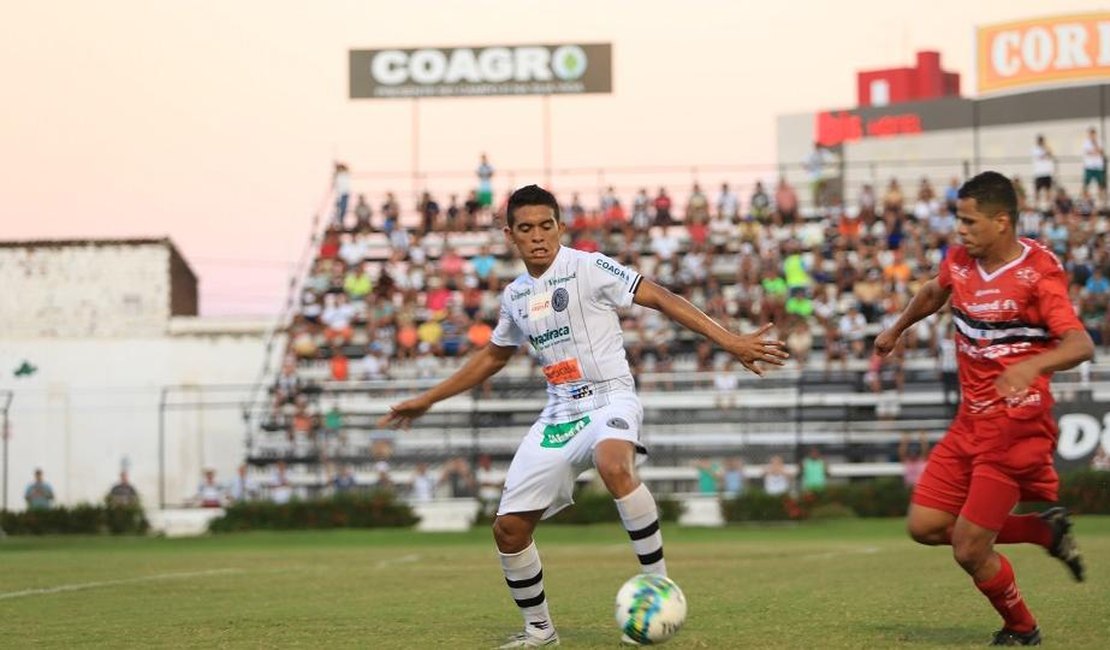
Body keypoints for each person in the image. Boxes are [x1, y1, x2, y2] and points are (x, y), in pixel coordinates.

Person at [379, 184, 788, 648]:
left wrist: (730, 340)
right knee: (508, 529)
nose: (538, 237)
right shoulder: (515, 296)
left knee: (614, 464)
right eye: (526, 228)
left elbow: (662, 296)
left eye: (546, 226)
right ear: (510, 234)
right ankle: (540, 630)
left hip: (611, 398)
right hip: (560, 412)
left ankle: (658, 586)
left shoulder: (589, 267)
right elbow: (493, 357)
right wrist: (428, 398)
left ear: (560, 227)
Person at [874, 171, 1092, 646]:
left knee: (969, 547)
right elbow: (936, 290)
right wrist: (897, 328)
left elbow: (1080, 343)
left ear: (1001, 222)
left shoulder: (1040, 273)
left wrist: (1032, 367)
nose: (961, 230)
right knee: (926, 526)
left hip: (1017, 427)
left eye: (970, 222)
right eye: (959, 220)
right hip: (970, 421)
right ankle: (1043, 532)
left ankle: (1023, 629)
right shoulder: (962, 260)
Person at [1081, 127, 1106, 207]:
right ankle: (1085, 200)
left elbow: (1101, 151)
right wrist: (1095, 151)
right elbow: (1088, 151)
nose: (1092, 136)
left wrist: (1096, 145)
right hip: (1089, 166)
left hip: (1098, 166)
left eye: (1093, 134)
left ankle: (1101, 201)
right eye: (1091, 134)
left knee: (1101, 184)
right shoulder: (1086, 142)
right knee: (1086, 184)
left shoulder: (1100, 142)